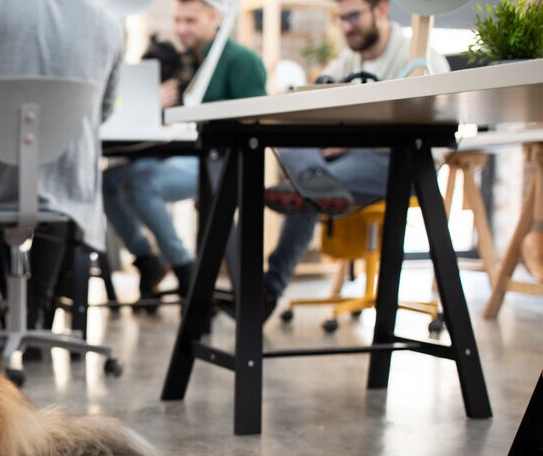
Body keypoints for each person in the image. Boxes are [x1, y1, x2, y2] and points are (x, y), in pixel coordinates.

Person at [0, 0, 123, 331]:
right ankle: (37, 316)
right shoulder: (110, 22)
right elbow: (103, 108)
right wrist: (59, 133)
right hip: (68, 172)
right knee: (56, 204)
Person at [252, 0, 450, 319]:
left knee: (304, 186)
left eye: (353, 16)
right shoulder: (348, 59)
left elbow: (435, 132)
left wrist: (353, 141)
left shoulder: (418, 56)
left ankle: (270, 285)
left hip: (396, 164)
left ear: (381, 10)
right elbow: (312, 99)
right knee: (285, 140)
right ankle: (315, 186)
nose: (346, 26)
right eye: (341, 18)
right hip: (340, 162)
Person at [102, 0, 266, 304]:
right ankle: (146, 260)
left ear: (214, 17)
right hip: (181, 155)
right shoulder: (180, 61)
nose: (182, 29)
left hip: (223, 161)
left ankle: (183, 266)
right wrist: (155, 105)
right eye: (178, 21)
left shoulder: (240, 61)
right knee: (107, 183)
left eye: (190, 21)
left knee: (140, 185)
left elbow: (255, 120)